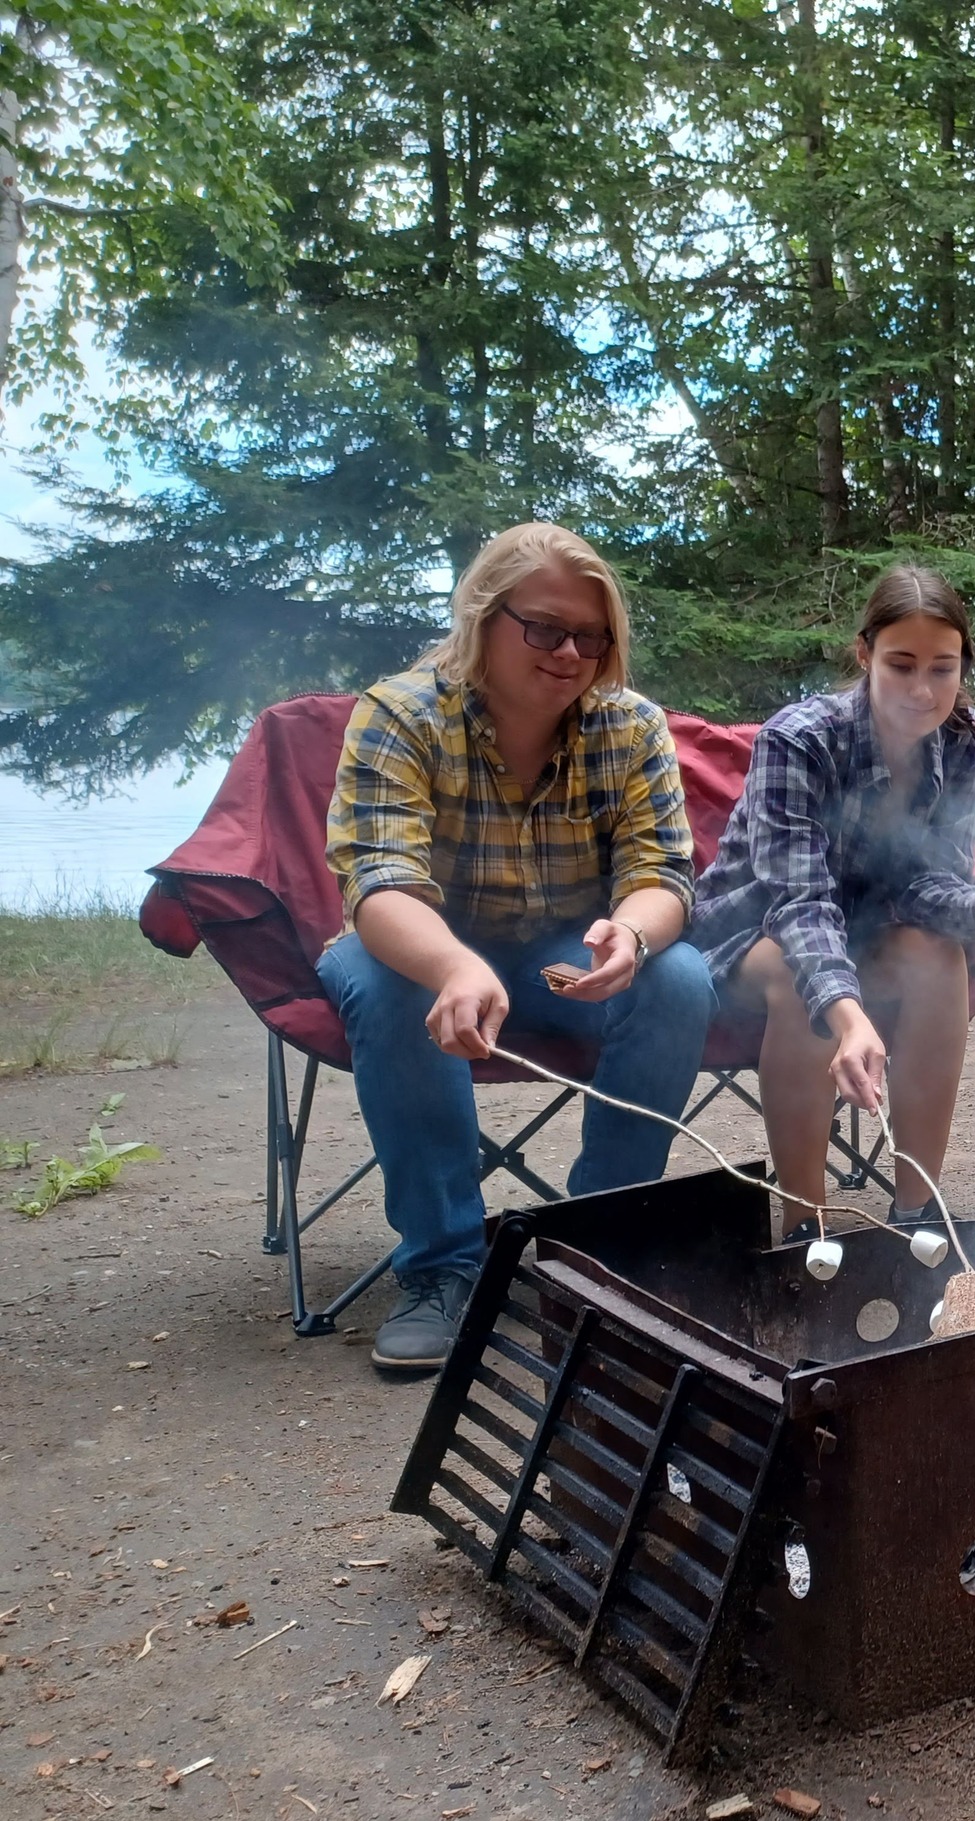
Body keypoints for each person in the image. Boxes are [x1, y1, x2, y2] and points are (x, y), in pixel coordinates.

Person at [318, 523, 717, 1373]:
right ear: (480, 616)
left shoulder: (630, 726)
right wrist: (453, 964)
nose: (569, 651)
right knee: (389, 985)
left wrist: (635, 934)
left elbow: (662, 870)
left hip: (557, 952)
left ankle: (599, 1254)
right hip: (416, 942)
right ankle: (442, 1269)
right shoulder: (400, 714)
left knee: (677, 979)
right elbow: (379, 881)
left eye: (590, 635)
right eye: (543, 627)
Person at [688, 564, 975, 1237]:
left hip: (864, 932)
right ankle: (807, 1228)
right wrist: (850, 1012)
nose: (923, 689)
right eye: (902, 664)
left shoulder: (964, 746)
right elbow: (797, 904)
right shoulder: (798, 739)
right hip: (751, 932)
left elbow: (926, 884)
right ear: (866, 655)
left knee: (937, 954)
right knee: (810, 983)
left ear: (963, 665)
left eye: (942, 668)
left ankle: (919, 1213)